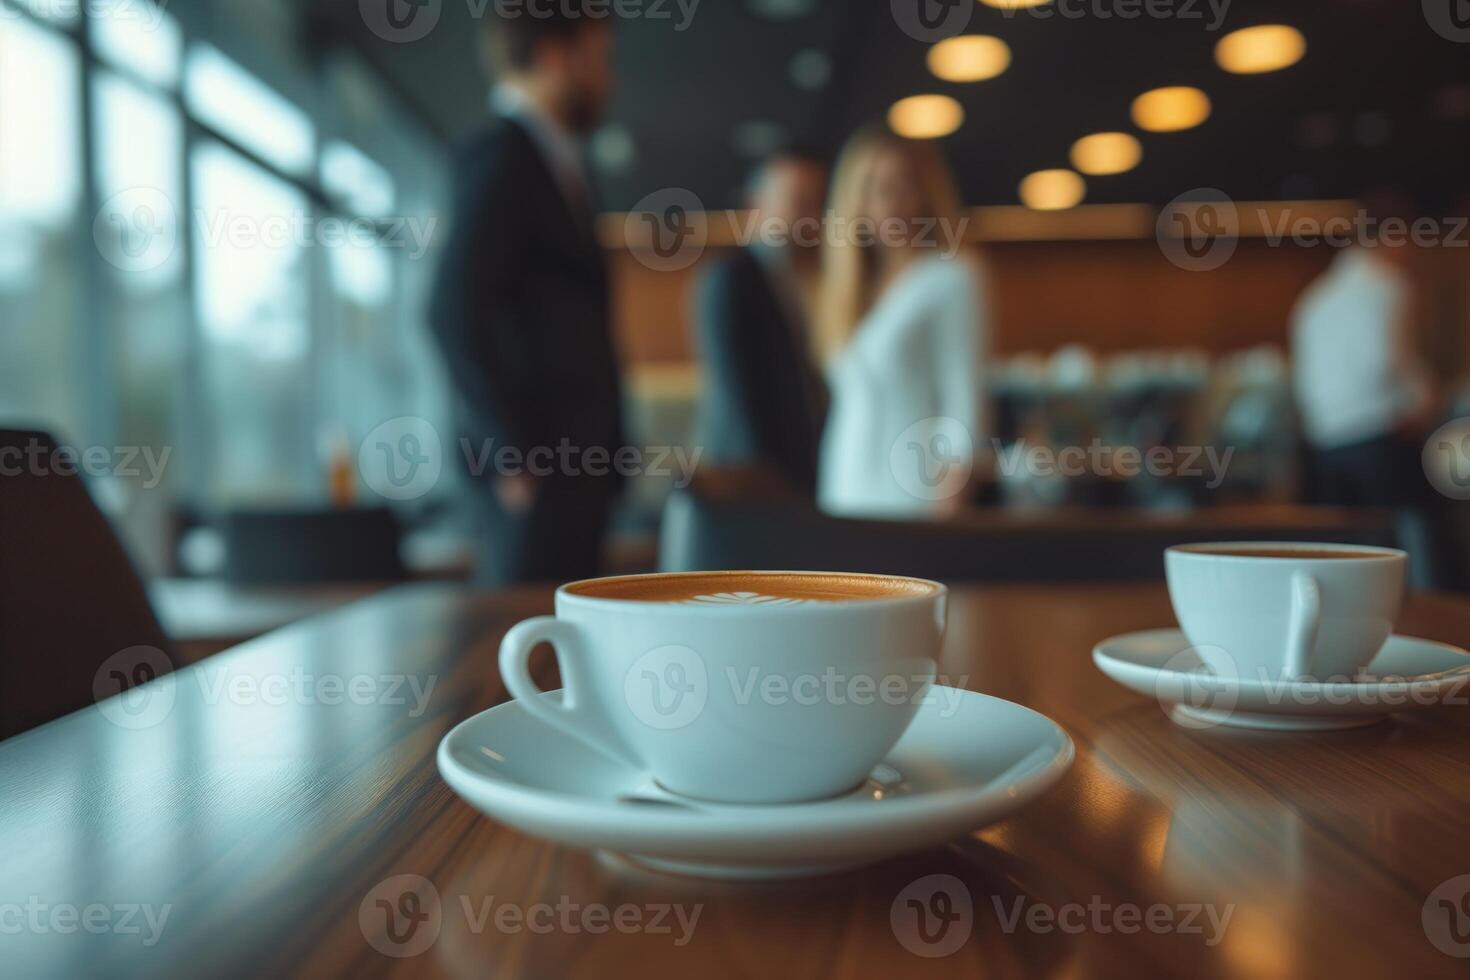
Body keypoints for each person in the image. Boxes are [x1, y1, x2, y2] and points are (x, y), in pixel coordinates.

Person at [428, 3, 623, 586]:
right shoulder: (501, 155)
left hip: (574, 469)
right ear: (555, 55)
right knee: (522, 646)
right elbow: (451, 308)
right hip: (535, 472)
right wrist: (510, 451)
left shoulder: (560, 166)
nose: (608, 79)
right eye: (600, 59)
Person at [814, 126, 988, 519]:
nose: (890, 202)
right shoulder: (852, 292)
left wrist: (948, 507)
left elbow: (964, 403)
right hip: (842, 491)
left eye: (902, 185)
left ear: (925, 191)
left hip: (912, 501)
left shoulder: (952, 277)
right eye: (875, 187)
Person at [692, 150, 829, 495]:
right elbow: (736, 394)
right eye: (796, 200)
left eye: (815, 202)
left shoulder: (798, 282)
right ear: (757, 206)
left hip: (798, 480)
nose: (807, 215)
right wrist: (770, 485)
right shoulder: (731, 279)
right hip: (753, 482)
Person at [1291, 195, 1437, 508]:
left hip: (1325, 444)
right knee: (1410, 542)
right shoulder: (1388, 284)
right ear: (1394, 236)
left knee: (1350, 546)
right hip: (1381, 439)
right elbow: (1387, 362)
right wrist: (1425, 400)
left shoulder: (1314, 297)